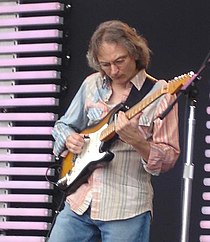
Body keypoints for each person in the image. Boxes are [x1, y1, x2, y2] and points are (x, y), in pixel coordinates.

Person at [48, 20, 180, 242]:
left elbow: (168, 158)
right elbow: (62, 125)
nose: (114, 70)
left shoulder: (161, 93)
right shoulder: (91, 84)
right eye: (105, 64)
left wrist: (138, 141)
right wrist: (69, 139)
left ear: (135, 53)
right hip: (80, 201)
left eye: (120, 61)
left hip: (126, 208)